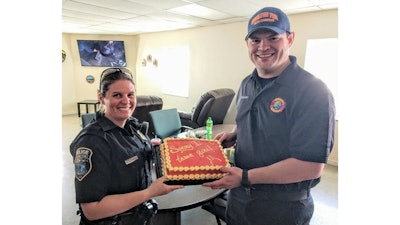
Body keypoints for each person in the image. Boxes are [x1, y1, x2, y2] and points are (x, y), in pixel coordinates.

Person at [203, 6, 336, 225]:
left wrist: (245, 177)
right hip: (240, 201)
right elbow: (250, 120)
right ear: (247, 43)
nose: (263, 47)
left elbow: (311, 166)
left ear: (290, 39)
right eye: (255, 40)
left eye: (273, 37)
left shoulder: (313, 91)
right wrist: (234, 135)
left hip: (283, 209)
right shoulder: (247, 83)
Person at [70, 67, 184, 225]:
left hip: (139, 216)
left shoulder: (132, 126)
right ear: (101, 97)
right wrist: (149, 193)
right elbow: (92, 210)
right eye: (117, 95)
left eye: (130, 94)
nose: (126, 101)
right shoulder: (91, 142)